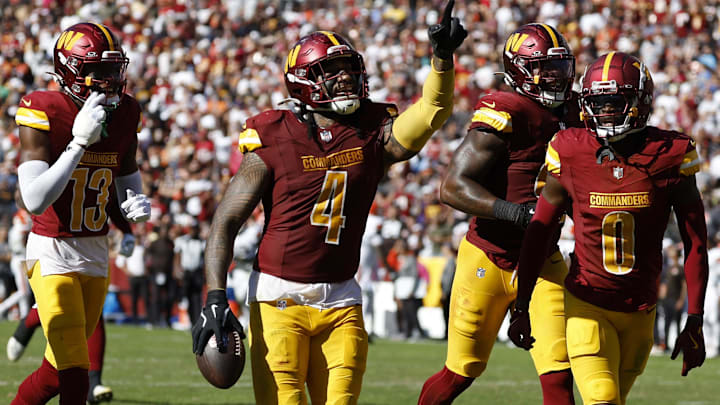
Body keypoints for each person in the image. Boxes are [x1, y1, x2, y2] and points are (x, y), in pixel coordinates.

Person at [191, 2, 467, 404]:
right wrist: (215, 295)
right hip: (278, 299)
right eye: (329, 72)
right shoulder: (273, 134)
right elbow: (226, 221)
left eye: (348, 69)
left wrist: (442, 59)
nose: (343, 79)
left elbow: (432, 112)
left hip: (341, 300)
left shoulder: (373, 132)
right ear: (302, 80)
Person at [508, 52, 709, 405]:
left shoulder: (671, 153)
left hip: (641, 312)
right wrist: (522, 303)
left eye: (615, 102)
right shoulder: (570, 149)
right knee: (602, 399)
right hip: (587, 303)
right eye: (597, 104)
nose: (606, 113)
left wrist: (695, 319)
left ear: (641, 100)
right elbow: (539, 231)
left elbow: (695, 243)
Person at [418, 23, 580, 405]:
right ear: (520, 70)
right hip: (488, 257)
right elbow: (453, 187)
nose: (555, 77)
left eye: (560, 67)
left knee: (558, 373)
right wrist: (518, 214)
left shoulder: (575, 112)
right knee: (461, 372)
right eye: (544, 68)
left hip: (542, 259)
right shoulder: (507, 110)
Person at [11, 22, 150, 404]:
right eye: (97, 71)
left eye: (113, 69)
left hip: (95, 251)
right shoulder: (44, 108)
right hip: (52, 250)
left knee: (54, 373)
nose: (109, 79)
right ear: (71, 71)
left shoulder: (125, 112)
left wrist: (136, 204)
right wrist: (76, 144)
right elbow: (34, 198)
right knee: (77, 371)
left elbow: (126, 174)